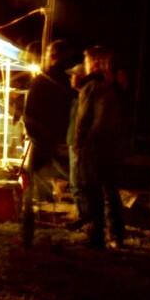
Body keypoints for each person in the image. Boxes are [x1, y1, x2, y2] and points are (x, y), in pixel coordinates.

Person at [21, 39, 77, 246]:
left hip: (44, 142)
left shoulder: (42, 81)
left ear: (52, 56)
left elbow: (29, 115)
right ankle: (57, 229)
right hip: (65, 143)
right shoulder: (70, 83)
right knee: (74, 187)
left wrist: (38, 136)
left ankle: (30, 231)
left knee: (32, 188)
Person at [75, 46, 130, 249]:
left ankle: (96, 235)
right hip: (113, 147)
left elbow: (85, 118)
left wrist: (79, 143)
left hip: (95, 146)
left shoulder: (93, 86)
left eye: (89, 61)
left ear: (96, 62)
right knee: (111, 192)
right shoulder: (115, 86)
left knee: (93, 192)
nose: (87, 65)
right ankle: (116, 235)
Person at [65, 63, 89, 229]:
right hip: (74, 144)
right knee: (76, 182)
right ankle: (83, 216)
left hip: (79, 146)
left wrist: (78, 144)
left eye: (73, 75)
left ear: (80, 77)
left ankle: (84, 217)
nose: (71, 78)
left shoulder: (85, 98)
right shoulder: (78, 98)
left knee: (79, 182)